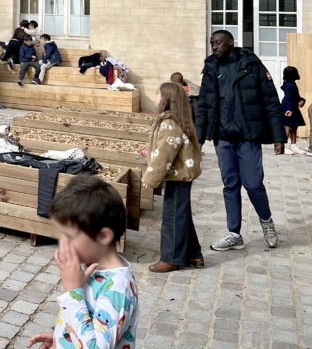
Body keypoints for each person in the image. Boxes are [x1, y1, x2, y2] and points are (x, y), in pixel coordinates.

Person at [195, 29, 285, 252]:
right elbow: (204, 106)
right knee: (230, 186)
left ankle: (267, 222)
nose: (214, 47)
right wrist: (199, 138)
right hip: (222, 138)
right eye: (211, 44)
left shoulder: (252, 66)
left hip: (248, 137)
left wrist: (278, 136)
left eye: (218, 43)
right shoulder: (211, 69)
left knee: (253, 184)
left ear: (231, 42)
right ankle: (234, 233)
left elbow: (271, 102)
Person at [27, 175, 138, 349]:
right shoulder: (90, 267)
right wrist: (62, 336)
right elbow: (87, 322)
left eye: (70, 236)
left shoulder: (118, 288)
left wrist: (72, 292)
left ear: (103, 236)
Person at [142, 82, 204, 273]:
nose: (156, 96)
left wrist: (151, 178)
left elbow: (165, 155)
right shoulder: (175, 120)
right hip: (180, 175)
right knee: (181, 214)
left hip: (178, 178)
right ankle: (194, 255)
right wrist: (149, 152)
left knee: (172, 218)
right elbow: (166, 148)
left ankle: (172, 258)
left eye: (158, 93)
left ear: (167, 99)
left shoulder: (170, 123)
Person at [280, 66, 310, 155]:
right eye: (296, 72)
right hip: (289, 107)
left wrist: (302, 100)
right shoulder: (288, 85)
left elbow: (296, 96)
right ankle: (284, 146)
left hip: (293, 107)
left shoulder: (293, 84)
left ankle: (293, 145)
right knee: (288, 126)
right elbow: (289, 98)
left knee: (294, 126)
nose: (298, 74)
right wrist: (289, 109)